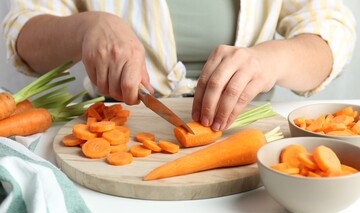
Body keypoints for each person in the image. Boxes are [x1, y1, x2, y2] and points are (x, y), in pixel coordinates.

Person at [2, 0, 356, 131]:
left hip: (249, 136)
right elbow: (22, 32)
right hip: (114, 124)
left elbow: (332, 29)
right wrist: (85, 27)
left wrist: (273, 58)